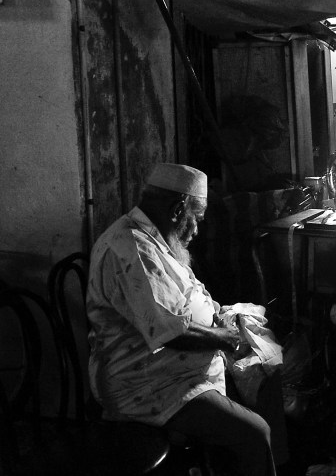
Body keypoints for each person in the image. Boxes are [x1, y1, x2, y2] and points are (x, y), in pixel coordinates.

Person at [86, 163, 277, 476]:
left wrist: (223, 316)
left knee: (269, 373)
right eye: (196, 219)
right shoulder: (132, 249)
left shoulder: (154, 238)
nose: (197, 230)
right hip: (149, 385)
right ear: (177, 209)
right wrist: (226, 339)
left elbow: (181, 302)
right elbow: (172, 331)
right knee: (255, 433)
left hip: (175, 372)